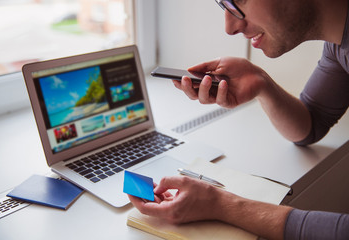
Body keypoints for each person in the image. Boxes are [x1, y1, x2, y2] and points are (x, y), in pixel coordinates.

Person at [129, 0, 349, 239]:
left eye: (237, 2)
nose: (230, 27)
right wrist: (261, 82)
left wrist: (221, 205)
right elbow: (310, 124)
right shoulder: (337, 48)